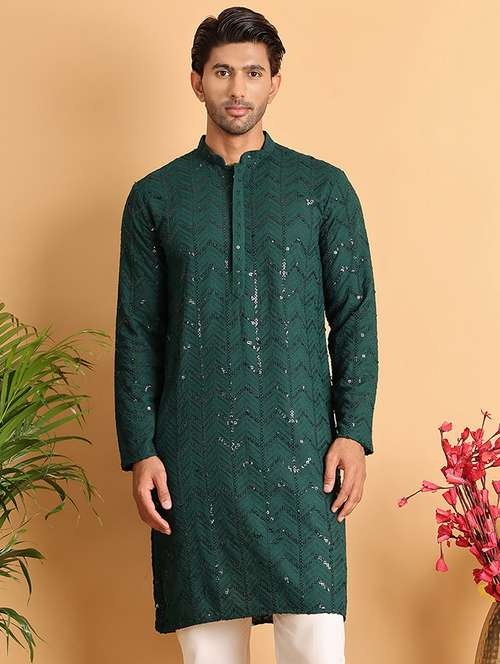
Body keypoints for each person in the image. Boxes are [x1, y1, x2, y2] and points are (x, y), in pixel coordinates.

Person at [113, 6, 378, 664]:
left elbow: (355, 316)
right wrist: (141, 450)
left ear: (275, 83)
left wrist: (352, 431)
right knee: (210, 656)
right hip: (193, 464)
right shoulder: (156, 198)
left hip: (303, 458)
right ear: (197, 81)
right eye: (223, 72)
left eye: (253, 73)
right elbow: (138, 330)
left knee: (317, 647)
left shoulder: (322, 190)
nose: (238, 88)